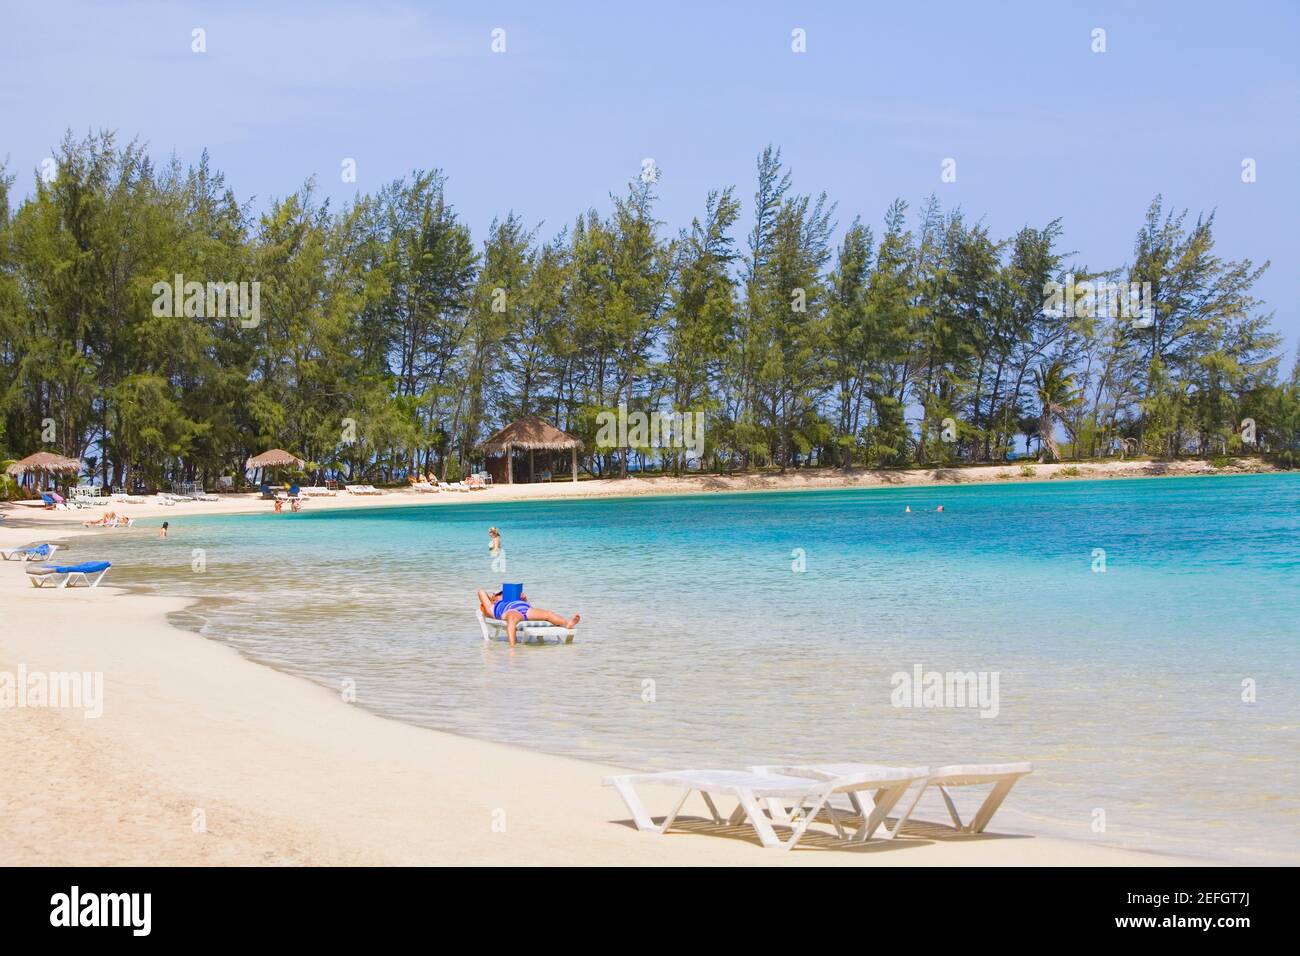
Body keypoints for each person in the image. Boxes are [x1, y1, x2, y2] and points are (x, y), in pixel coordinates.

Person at [476, 587, 580, 647]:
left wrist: (524, 600)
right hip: (511, 611)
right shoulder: (492, 606)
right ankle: (513, 647)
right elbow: (480, 591)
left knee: (548, 614)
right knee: (512, 620)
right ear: (494, 598)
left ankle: (567, 623)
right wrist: (491, 598)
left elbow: (531, 607)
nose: (502, 594)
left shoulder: (515, 599)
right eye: (500, 594)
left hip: (526, 609)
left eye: (503, 592)